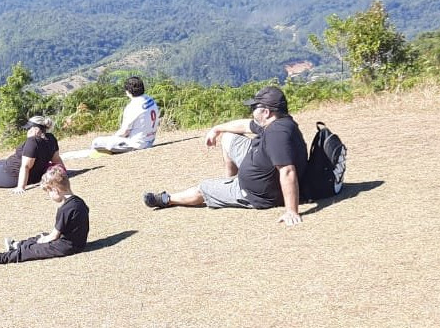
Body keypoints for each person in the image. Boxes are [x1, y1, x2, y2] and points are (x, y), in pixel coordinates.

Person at [142, 85, 308, 226]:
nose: (251, 111)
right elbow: (245, 125)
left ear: (266, 112)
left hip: (255, 194)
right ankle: (229, 180)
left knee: (204, 188)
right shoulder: (279, 123)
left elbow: (287, 171)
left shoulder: (276, 134)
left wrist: (291, 211)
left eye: (254, 108)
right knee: (229, 137)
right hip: (258, 168)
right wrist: (217, 129)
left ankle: (167, 199)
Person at [0, 165, 88, 265]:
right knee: (39, 237)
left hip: (66, 247)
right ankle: (17, 244)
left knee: (29, 251)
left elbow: (54, 236)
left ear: (55, 190)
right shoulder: (80, 202)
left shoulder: (65, 209)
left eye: (49, 193)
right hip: (77, 243)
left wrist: (43, 241)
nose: (50, 197)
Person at [92, 76, 161, 154]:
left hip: (137, 143)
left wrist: (114, 138)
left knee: (96, 142)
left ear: (128, 91)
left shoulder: (132, 107)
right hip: (150, 140)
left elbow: (124, 132)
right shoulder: (150, 100)